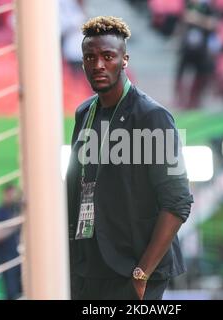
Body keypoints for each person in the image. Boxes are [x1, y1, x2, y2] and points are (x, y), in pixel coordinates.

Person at [66, 16, 194, 300]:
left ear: (125, 60)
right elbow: (74, 191)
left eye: (107, 56)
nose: (98, 64)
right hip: (89, 268)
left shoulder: (153, 117)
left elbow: (178, 202)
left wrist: (142, 273)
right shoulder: (83, 114)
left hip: (134, 271)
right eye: (90, 57)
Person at [0, 184, 22, 300]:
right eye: (9, 194)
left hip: (23, 258)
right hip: (7, 260)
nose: (12, 197)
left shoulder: (19, 210)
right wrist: (16, 224)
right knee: (11, 293)